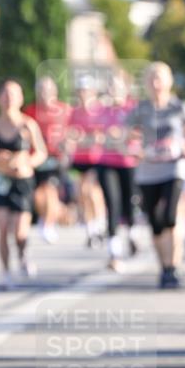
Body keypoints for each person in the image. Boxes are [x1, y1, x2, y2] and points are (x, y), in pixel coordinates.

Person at [127, 62, 185, 288]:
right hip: (148, 172)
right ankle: (164, 267)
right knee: (156, 222)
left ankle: (173, 267)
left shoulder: (180, 107)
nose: (156, 83)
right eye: (151, 78)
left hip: (173, 169)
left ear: (169, 81)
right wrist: (135, 149)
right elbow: (125, 138)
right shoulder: (140, 109)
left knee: (170, 217)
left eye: (160, 78)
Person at [0, 80, 47, 288]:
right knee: (3, 227)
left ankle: (23, 253)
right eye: (5, 94)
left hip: (22, 181)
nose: (9, 99)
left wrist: (26, 162)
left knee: (20, 231)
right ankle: (6, 273)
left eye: (13, 95)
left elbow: (41, 153)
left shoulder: (27, 124)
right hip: (0, 182)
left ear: (21, 99)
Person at [95, 73, 140, 271]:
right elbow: (93, 133)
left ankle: (131, 233)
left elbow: (141, 131)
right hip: (106, 162)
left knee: (129, 202)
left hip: (128, 162)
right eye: (110, 86)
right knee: (112, 203)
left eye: (117, 86)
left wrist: (122, 135)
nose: (113, 90)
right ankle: (114, 251)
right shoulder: (101, 110)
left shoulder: (132, 108)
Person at [24, 75, 70, 244]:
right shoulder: (30, 111)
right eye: (41, 90)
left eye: (48, 90)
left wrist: (67, 147)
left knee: (50, 190)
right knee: (38, 194)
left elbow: (73, 132)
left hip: (55, 158)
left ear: (55, 92)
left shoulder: (64, 110)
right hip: (37, 157)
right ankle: (51, 215)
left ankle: (48, 224)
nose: (45, 94)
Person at [67, 76, 106, 247]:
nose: (83, 94)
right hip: (79, 158)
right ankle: (91, 229)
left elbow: (101, 137)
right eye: (81, 91)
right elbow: (70, 134)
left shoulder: (100, 111)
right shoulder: (74, 112)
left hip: (96, 158)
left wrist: (85, 138)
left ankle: (100, 224)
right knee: (82, 193)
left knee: (91, 191)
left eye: (86, 91)